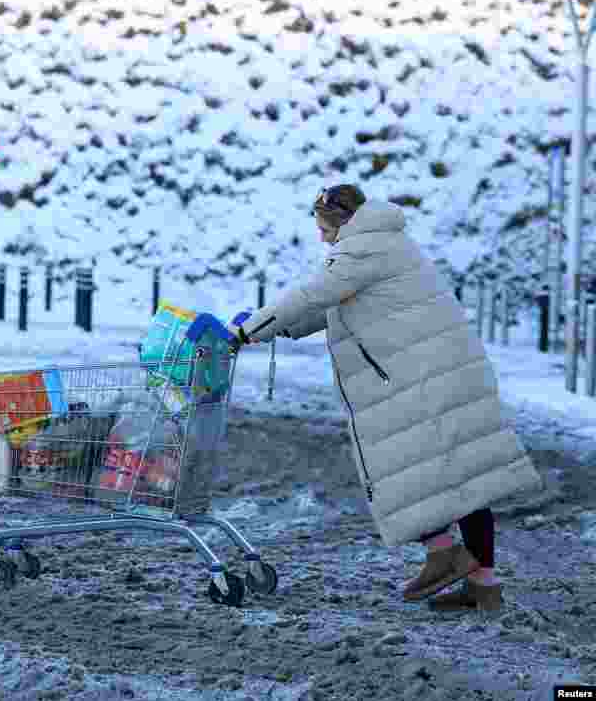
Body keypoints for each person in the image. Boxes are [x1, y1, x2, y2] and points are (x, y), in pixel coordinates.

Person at [228, 184, 542, 612]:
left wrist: (248, 330)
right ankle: (483, 586)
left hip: (421, 378)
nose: (321, 237)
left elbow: (311, 294)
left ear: (339, 221)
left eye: (323, 228)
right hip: (441, 371)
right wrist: (279, 328)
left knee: (400, 467)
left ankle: (444, 553)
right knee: (465, 476)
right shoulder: (385, 243)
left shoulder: (361, 250)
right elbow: (334, 306)